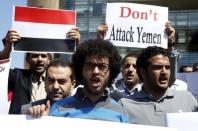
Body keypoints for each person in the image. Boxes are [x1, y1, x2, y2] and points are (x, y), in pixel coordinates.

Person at [27, 39, 129, 123]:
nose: (96, 71)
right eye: (89, 65)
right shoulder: (58, 108)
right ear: (81, 69)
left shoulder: (121, 113)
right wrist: (41, 123)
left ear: (111, 72)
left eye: (102, 66)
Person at [0, 28, 80, 114]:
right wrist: (6, 50)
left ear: (49, 59)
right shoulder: (17, 76)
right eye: (35, 56)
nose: (39, 59)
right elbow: (2, 74)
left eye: (43, 56)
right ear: (27, 59)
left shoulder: (77, 109)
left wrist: (76, 46)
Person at [120, 46, 198, 126]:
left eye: (167, 67)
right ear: (142, 72)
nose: (164, 72)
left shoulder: (187, 99)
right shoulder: (125, 105)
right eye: (158, 67)